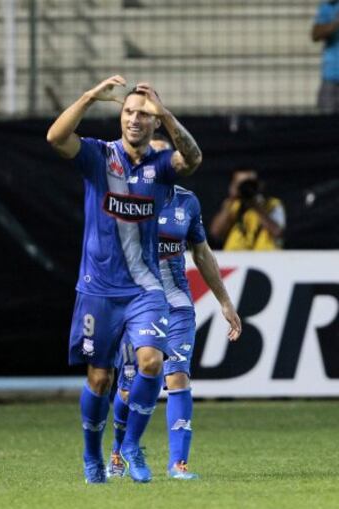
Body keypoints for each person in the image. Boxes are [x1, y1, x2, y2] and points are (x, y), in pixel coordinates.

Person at [46, 75, 202, 483]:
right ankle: (91, 456)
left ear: (153, 124)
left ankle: (131, 444)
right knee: (100, 380)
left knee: (151, 361)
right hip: (97, 290)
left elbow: (194, 158)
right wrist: (90, 96)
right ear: (120, 117)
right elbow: (55, 137)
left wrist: (165, 111)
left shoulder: (161, 166)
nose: (135, 119)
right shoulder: (99, 155)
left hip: (145, 290)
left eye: (144, 114)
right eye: (129, 112)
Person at [106, 135, 242, 480]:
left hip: (178, 304)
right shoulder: (127, 202)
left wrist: (224, 301)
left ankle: (178, 464)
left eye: (167, 159)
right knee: (128, 384)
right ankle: (118, 452)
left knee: (178, 376)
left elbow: (202, 253)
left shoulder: (187, 202)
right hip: (137, 306)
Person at [209, 170, 285, 251]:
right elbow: (216, 233)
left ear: (259, 184)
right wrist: (231, 199)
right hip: (235, 256)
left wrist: (255, 206)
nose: (246, 188)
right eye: (242, 184)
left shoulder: (271, 204)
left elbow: (277, 232)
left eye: (250, 184)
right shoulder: (232, 205)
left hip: (265, 257)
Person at [312, 0, 339, 112]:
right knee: (326, 124)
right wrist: (336, 22)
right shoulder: (329, 5)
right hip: (332, 76)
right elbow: (315, 34)